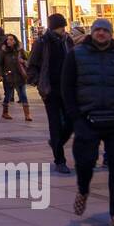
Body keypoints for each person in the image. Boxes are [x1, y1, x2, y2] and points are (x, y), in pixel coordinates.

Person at [61, 18, 114, 226]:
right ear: (92, 32)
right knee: (85, 161)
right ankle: (83, 189)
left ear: (111, 33)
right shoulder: (76, 55)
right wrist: (75, 117)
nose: (100, 33)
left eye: (104, 30)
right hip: (87, 118)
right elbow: (67, 87)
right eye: (97, 30)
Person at [27, 13, 74, 174]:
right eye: (62, 27)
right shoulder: (42, 42)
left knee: (71, 121)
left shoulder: (67, 41)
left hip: (67, 89)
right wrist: (38, 82)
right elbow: (32, 64)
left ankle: (57, 141)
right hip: (50, 89)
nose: (64, 30)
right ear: (55, 27)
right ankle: (59, 160)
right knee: (54, 124)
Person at [0, 34, 30, 121]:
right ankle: (5, 112)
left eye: (11, 39)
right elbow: (0, 64)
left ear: (15, 41)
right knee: (8, 95)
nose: (9, 41)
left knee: (23, 94)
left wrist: (22, 61)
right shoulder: (3, 51)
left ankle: (27, 114)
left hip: (19, 76)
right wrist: (0, 74)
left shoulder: (20, 50)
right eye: (7, 39)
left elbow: (27, 61)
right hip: (8, 75)